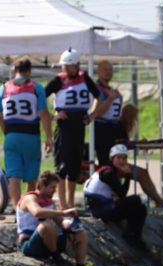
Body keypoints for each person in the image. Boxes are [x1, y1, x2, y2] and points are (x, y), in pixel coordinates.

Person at [83, 144, 163, 250]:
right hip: (98, 210)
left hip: (104, 206)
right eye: (119, 158)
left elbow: (120, 195)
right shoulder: (108, 173)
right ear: (112, 159)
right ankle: (130, 235)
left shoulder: (110, 171)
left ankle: (134, 235)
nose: (122, 161)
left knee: (141, 208)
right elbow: (122, 194)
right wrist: (127, 175)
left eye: (124, 158)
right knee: (135, 200)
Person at [44, 48, 102, 211]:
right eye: (63, 66)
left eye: (67, 66)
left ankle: (70, 203)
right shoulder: (58, 80)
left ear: (76, 65)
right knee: (62, 168)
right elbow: (40, 96)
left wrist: (92, 115)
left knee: (74, 169)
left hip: (79, 125)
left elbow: (98, 96)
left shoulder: (85, 78)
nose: (64, 69)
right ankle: (63, 205)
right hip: (64, 127)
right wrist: (53, 115)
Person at [17, 171, 95, 266]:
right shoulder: (30, 198)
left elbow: (60, 222)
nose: (54, 190)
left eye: (55, 187)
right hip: (29, 244)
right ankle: (56, 256)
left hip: (48, 243)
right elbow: (37, 212)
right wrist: (63, 212)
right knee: (48, 224)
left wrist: (69, 223)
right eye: (52, 187)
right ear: (42, 186)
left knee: (80, 233)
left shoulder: (50, 202)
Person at [0, 58, 53, 210]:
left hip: (11, 136)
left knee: (13, 175)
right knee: (31, 177)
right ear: (29, 71)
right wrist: (49, 137)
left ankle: (17, 209)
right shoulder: (36, 88)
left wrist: (6, 132)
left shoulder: (4, 88)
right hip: (31, 136)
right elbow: (43, 114)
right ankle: (29, 208)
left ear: (15, 70)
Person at [94, 60, 125, 167]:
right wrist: (110, 100)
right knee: (106, 163)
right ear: (98, 71)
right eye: (105, 70)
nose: (108, 72)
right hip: (102, 129)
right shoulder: (96, 89)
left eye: (110, 70)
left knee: (118, 163)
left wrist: (120, 100)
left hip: (114, 129)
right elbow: (96, 113)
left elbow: (116, 113)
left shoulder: (111, 90)